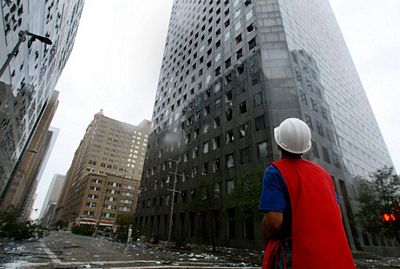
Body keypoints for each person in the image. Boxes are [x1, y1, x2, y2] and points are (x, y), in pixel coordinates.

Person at [259, 118, 355, 269]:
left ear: (278, 145)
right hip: (330, 255)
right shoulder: (324, 175)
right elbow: (337, 215)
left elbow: (274, 223)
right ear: (306, 147)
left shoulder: (274, 172)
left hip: (295, 254)